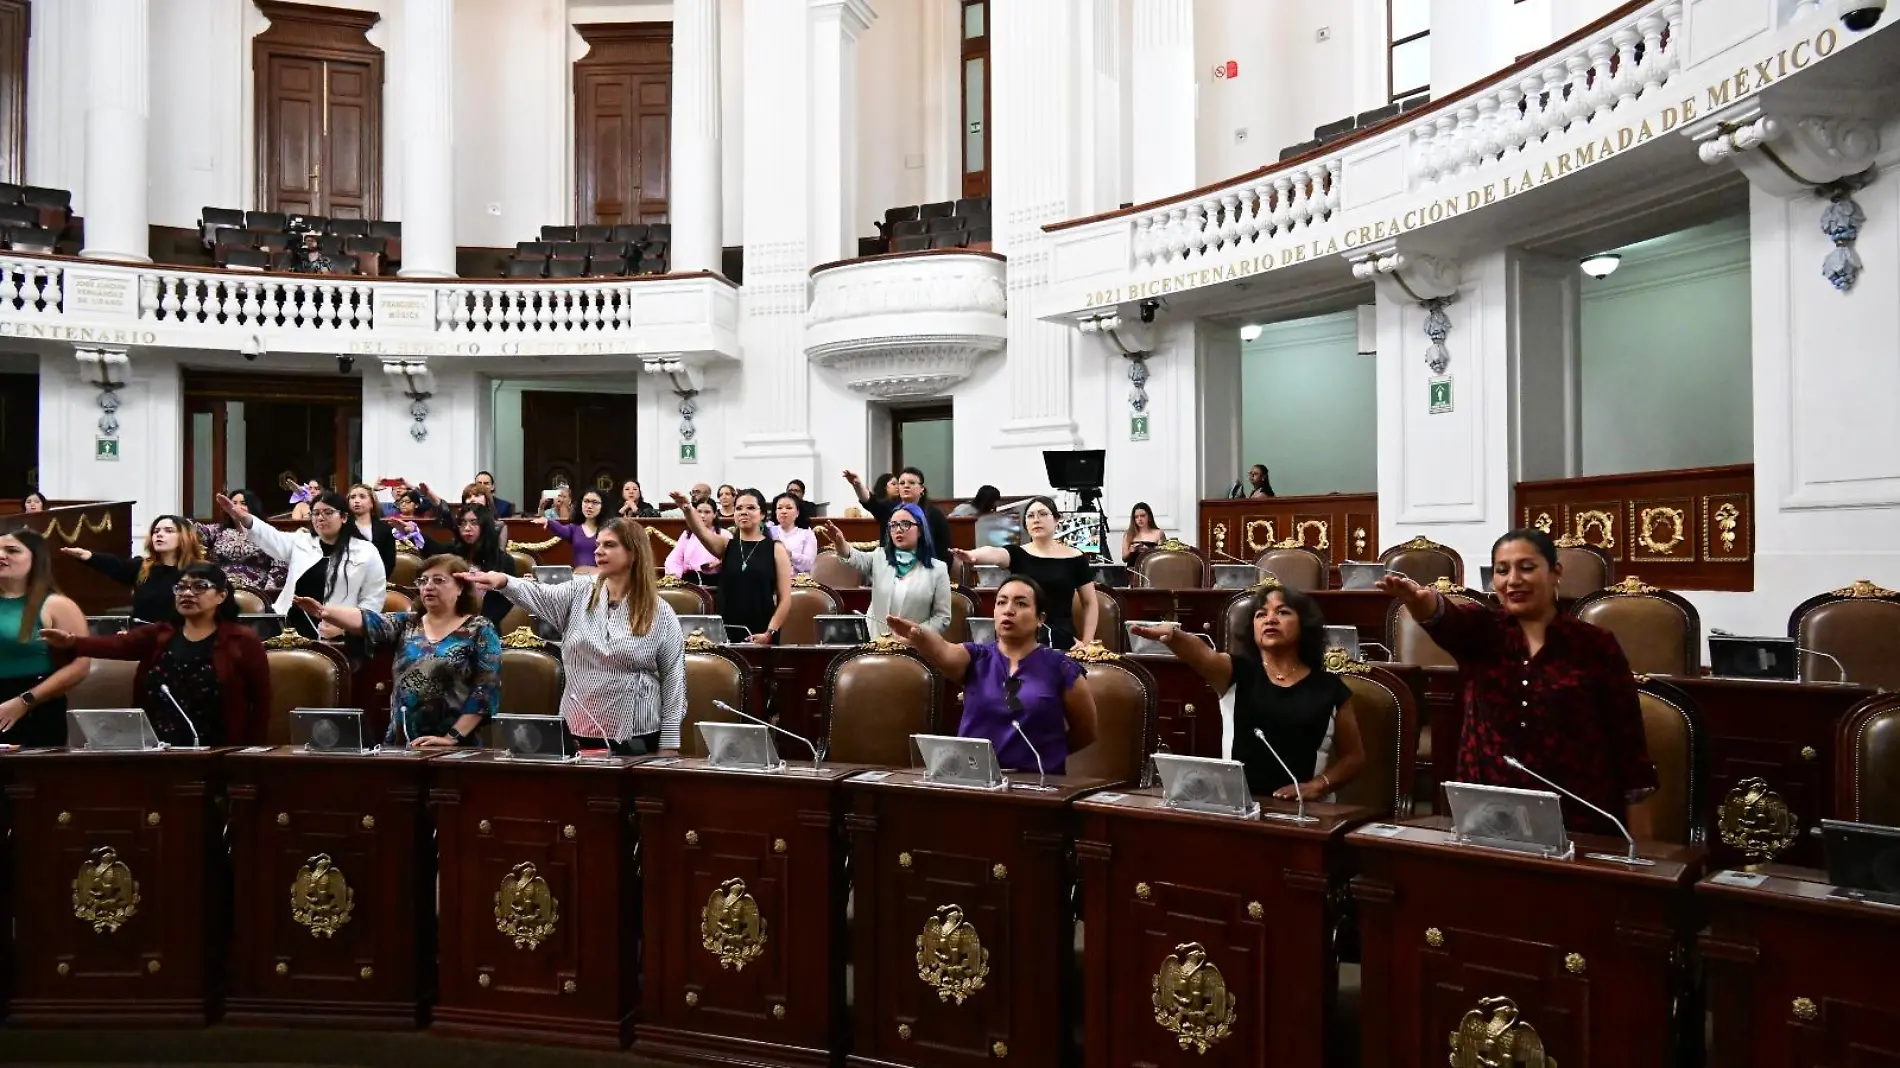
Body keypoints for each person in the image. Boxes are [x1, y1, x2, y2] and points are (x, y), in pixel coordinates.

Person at [1377, 528, 1658, 837]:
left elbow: (1630, 750)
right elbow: (1450, 622)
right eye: (1502, 570)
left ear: (1555, 573)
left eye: (1527, 567)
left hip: (1579, 824)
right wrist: (1422, 602)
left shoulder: (1595, 645)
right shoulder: (1485, 632)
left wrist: (1642, 855)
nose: (1513, 579)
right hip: (1488, 821)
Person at [466, 518, 685, 755]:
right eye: (598, 544)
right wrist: (504, 581)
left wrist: (670, 743)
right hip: (577, 726)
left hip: (636, 732)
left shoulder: (660, 611)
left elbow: (674, 679)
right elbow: (539, 594)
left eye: (610, 545)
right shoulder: (579, 591)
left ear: (634, 552)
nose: (598, 551)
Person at [1130, 587, 1364, 801]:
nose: (1270, 619)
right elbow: (1202, 655)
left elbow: (1354, 757)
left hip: (1304, 811)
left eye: (1282, 613)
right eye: (1261, 615)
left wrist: (1319, 785)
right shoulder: (1235, 672)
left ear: (1305, 624)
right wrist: (1174, 636)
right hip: (1239, 804)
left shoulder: (1329, 688)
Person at [42, 563, 272, 747]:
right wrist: (71, 642)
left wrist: (249, 751)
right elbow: (117, 645)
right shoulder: (160, 634)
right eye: (180, 587)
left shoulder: (242, 640)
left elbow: (261, 700)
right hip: (159, 748)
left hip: (220, 750)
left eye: (199, 586)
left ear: (221, 595)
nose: (187, 593)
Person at [886, 576, 1097, 774]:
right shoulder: (976, 657)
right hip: (975, 782)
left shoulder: (1061, 668)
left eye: (1021, 604)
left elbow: (1086, 732)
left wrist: (1048, 756)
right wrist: (919, 636)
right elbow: (944, 651)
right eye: (1001, 602)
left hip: (1038, 784)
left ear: (1040, 618)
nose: (1009, 610)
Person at [296, 555, 502, 748]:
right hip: (402, 740)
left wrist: (451, 738)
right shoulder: (407, 623)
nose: (428, 586)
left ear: (460, 588)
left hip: (455, 744)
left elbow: (485, 690)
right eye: (423, 580)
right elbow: (368, 620)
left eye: (438, 580)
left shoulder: (479, 629)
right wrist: (325, 612)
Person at [216, 490, 387, 638]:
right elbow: (271, 537)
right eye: (315, 513)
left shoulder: (366, 552)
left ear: (343, 517)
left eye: (327, 512)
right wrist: (245, 519)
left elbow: (372, 601)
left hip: (339, 631)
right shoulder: (301, 541)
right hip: (290, 624)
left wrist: (345, 627)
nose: (320, 518)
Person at [954, 496, 1098, 650]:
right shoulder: (1018, 553)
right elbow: (994, 552)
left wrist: (1087, 642)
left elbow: (1089, 602)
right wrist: (972, 555)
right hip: (1022, 635)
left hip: (1064, 638)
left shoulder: (1075, 557)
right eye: (1030, 516)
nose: (1036, 520)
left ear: (1056, 519)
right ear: (1026, 524)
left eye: (1043, 514)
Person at [1, 530, 92, 747]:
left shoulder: (56, 605)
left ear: (36, 558)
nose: (1, 556)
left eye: (12, 550)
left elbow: (81, 664)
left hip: (33, 706)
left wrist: (25, 701)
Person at [671, 488, 792, 644]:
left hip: (762, 632)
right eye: (739, 508)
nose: (743, 512)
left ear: (762, 515)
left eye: (751, 508)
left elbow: (785, 600)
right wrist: (687, 508)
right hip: (727, 630)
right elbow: (700, 530)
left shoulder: (775, 549)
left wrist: (769, 632)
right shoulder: (725, 545)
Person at [820, 508, 951, 638]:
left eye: (906, 524)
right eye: (893, 525)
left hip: (916, 647)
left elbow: (942, 618)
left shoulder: (938, 569)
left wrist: (916, 633)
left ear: (920, 530)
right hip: (878, 644)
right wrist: (841, 544)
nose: (898, 529)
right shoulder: (879, 557)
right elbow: (855, 558)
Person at [61, 514, 207, 625]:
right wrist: (88, 556)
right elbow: (116, 565)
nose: (159, 534)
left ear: (185, 537)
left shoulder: (200, 571)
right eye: (156, 531)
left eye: (169, 531)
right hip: (144, 638)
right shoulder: (143, 567)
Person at [409, 504, 518, 626]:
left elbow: (507, 599)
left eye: (474, 523)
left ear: (485, 526)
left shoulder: (503, 560)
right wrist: (413, 532)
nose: (467, 528)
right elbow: (433, 550)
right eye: (463, 523)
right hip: (449, 623)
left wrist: (483, 622)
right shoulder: (452, 552)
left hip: (485, 625)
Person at [843, 467, 952, 563]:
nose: (906, 486)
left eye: (912, 483)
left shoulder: (934, 514)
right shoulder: (890, 509)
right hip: (891, 569)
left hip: (924, 572)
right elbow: (870, 502)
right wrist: (857, 485)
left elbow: (944, 552)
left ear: (922, 488)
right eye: (902, 483)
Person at [199, 488, 288, 596]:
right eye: (233, 503)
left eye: (243, 503)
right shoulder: (217, 531)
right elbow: (194, 532)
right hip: (221, 591)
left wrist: (268, 591)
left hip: (258, 591)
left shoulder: (265, 532)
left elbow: (280, 565)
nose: (236, 507)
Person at [536, 488, 607, 571]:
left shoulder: (608, 529)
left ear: (603, 506)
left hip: (602, 578)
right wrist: (547, 521)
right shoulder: (574, 528)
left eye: (595, 502)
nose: (589, 506)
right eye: (586, 501)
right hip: (579, 578)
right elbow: (561, 529)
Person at [664, 499, 724, 584]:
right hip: (690, 580)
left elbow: (732, 558)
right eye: (699, 511)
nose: (702, 515)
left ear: (714, 514)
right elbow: (674, 559)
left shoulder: (724, 534)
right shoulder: (687, 535)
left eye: (707, 512)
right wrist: (676, 577)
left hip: (715, 580)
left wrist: (719, 563)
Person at [346, 482, 398, 575]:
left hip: (377, 579)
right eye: (353, 497)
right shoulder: (342, 527)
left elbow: (389, 561)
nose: (356, 500)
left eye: (362, 496)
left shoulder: (385, 528)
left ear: (372, 503)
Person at [770, 492, 817, 574]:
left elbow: (810, 564)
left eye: (789, 508)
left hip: (799, 582)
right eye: (779, 508)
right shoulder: (769, 531)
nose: (783, 511)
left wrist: (790, 554)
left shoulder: (806, 533)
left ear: (797, 512)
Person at [1121, 501, 1166, 568]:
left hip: (1151, 570)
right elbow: (1124, 559)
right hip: (1133, 570)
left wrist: (1148, 550)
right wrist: (1131, 551)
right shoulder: (1129, 534)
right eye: (1136, 517)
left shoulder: (1159, 533)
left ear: (1149, 516)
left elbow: (1162, 557)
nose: (1139, 519)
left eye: (1143, 516)